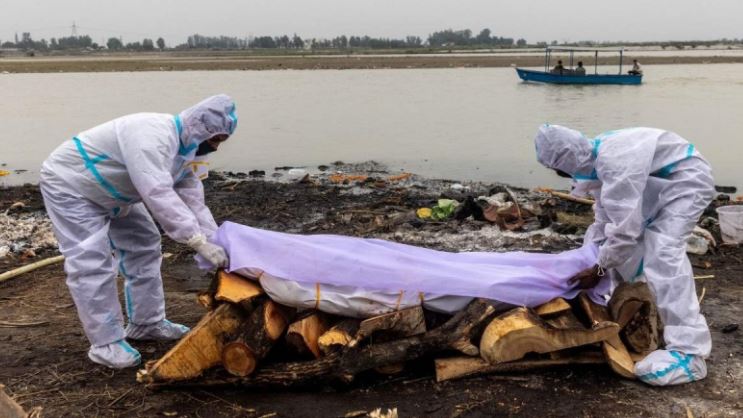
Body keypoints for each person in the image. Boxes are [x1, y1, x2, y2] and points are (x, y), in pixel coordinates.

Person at [40, 95, 238, 369]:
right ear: (200, 126)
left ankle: (147, 323)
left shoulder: (188, 150)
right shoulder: (153, 135)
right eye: (215, 138)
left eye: (221, 141)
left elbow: (193, 198)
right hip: (73, 186)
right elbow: (156, 191)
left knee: (144, 242)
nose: (215, 147)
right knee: (91, 261)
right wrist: (195, 240)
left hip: (117, 192)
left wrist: (215, 239)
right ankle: (106, 342)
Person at [534, 124, 714, 386]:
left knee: (663, 250)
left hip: (685, 181)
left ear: (567, 160)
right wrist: (589, 256)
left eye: (557, 169)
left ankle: (690, 352)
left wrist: (598, 270)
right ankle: (637, 304)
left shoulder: (615, 161)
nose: (559, 174)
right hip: (659, 181)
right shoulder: (595, 161)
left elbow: (624, 232)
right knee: (626, 248)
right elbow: (605, 220)